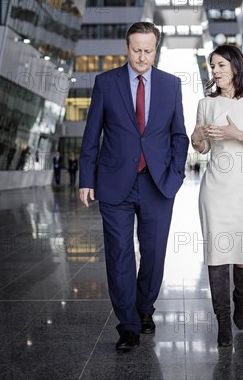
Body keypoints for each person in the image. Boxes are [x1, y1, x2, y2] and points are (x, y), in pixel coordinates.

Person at [79, 22, 189, 352]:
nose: (142, 57)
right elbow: (91, 134)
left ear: (156, 49)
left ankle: (144, 309)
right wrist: (86, 179)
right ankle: (127, 324)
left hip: (158, 183)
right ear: (127, 48)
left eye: (148, 50)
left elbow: (179, 135)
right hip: (114, 184)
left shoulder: (171, 85)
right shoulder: (106, 83)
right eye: (136, 49)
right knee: (119, 254)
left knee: (153, 255)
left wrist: (177, 173)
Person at [191, 45, 243, 347]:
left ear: (236, 67)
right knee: (217, 255)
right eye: (212, 66)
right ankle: (223, 322)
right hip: (215, 188)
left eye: (221, 65)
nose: (216, 71)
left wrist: (236, 134)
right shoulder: (205, 103)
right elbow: (201, 147)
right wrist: (197, 138)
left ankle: (241, 301)